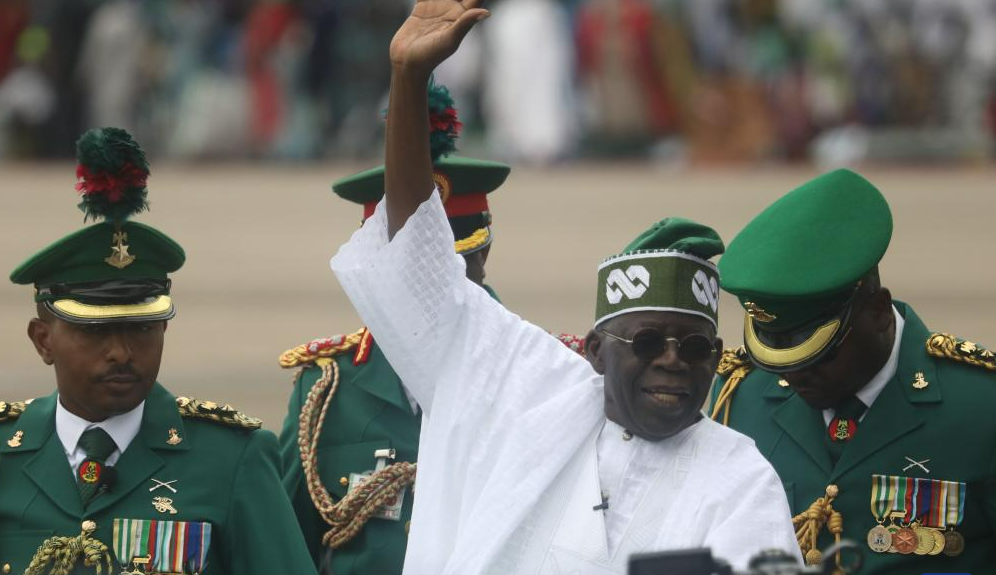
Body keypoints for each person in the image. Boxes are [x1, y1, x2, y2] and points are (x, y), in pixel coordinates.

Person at [327, 2, 801, 573]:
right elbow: (417, 262)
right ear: (597, 351)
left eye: (696, 347)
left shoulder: (740, 479)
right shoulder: (524, 388)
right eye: (648, 342)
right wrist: (409, 80)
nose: (673, 362)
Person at [0, 127, 317, 575]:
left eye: (142, 329)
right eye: (95, 332)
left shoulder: (231, 458)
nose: (120, 352)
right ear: (43, 340)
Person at [278, 82, 585, 575]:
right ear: (376, 267)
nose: (433, 293)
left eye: (448, 269)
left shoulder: (551, 375)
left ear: (483, 254)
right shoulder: (326, 393)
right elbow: (287, 548)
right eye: (414, 274)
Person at [708, 168, 996, 573]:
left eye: (818, 355)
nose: (796, 375)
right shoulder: (739, 398)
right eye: (779, 359)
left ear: (878, 312)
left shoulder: (981, 406)